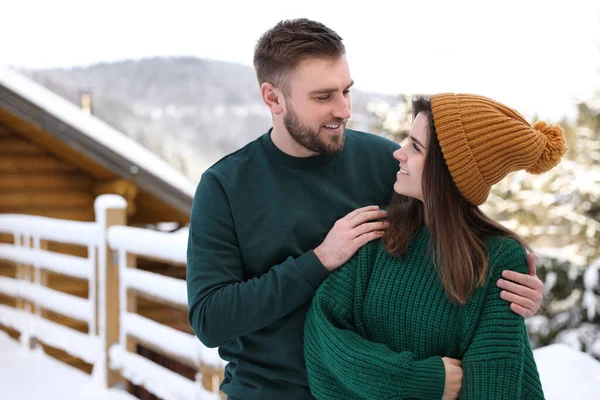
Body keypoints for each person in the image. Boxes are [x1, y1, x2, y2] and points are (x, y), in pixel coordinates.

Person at [186, 19, 544, 400]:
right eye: (323, 97)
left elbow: (449, 239)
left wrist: (513, 290)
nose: (343, 110)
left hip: (374, 390)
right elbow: (210, 320)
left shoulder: (383, 163)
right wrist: (320, 259)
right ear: (273, 98)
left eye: (346, 91)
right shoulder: (224, 186)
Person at [304, 93, 567, 399]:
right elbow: (322, 338)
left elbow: (493, 384)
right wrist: (420, 379)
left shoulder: (498, 257)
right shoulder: (380, 232)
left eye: (415, 147)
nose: (398, 154)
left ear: (450, 170)